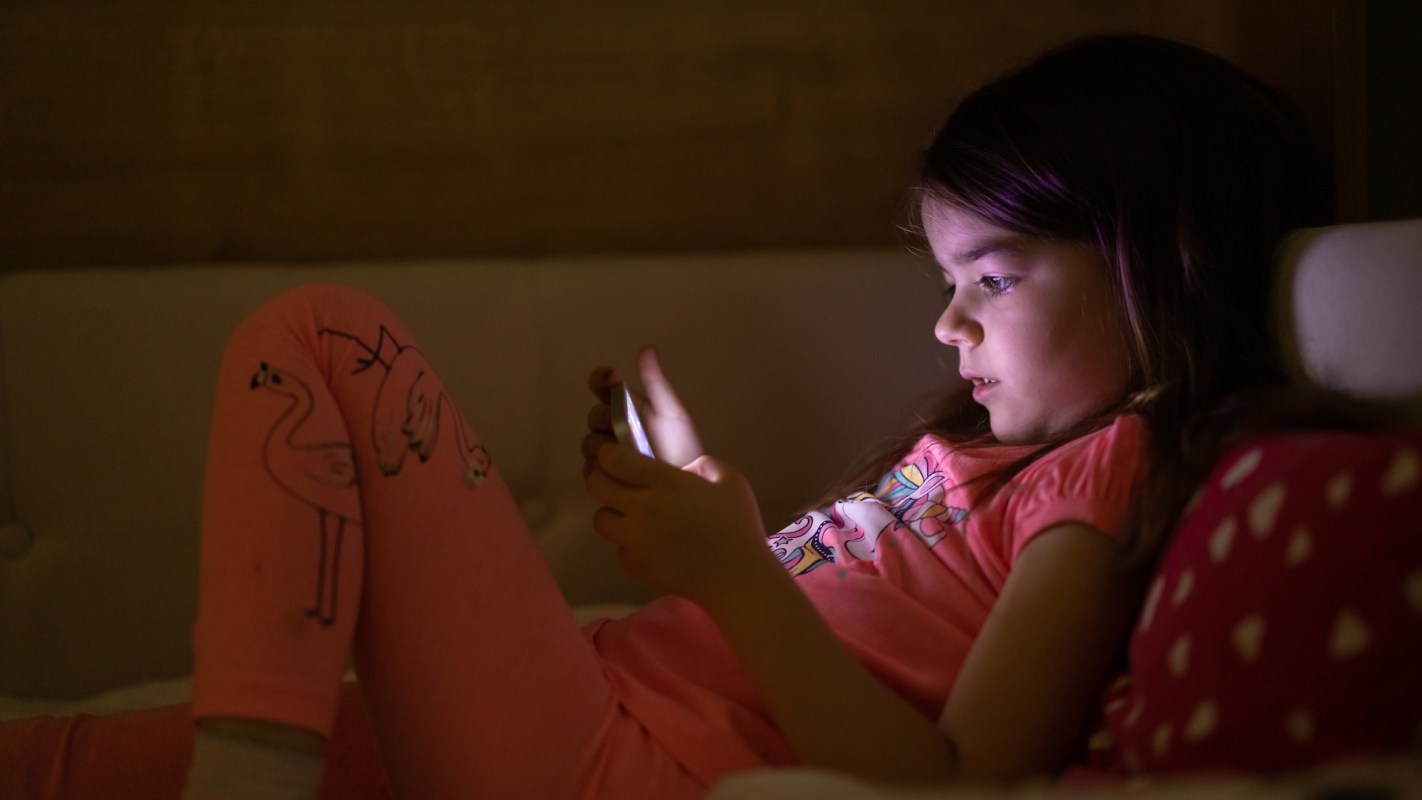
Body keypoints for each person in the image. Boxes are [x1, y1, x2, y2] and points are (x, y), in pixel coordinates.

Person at [0, 33, 1319, 800]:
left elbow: (957, 782)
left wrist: (731, 574)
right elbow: (839, 632)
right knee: (68, 763)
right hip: (594, 692)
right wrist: (709, 511)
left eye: (993, 277)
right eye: (945, 282)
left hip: (610, 761)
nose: (947, 325)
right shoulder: (1008, 455)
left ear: (1163, 260)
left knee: (322, 339)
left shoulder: (1109, 473)